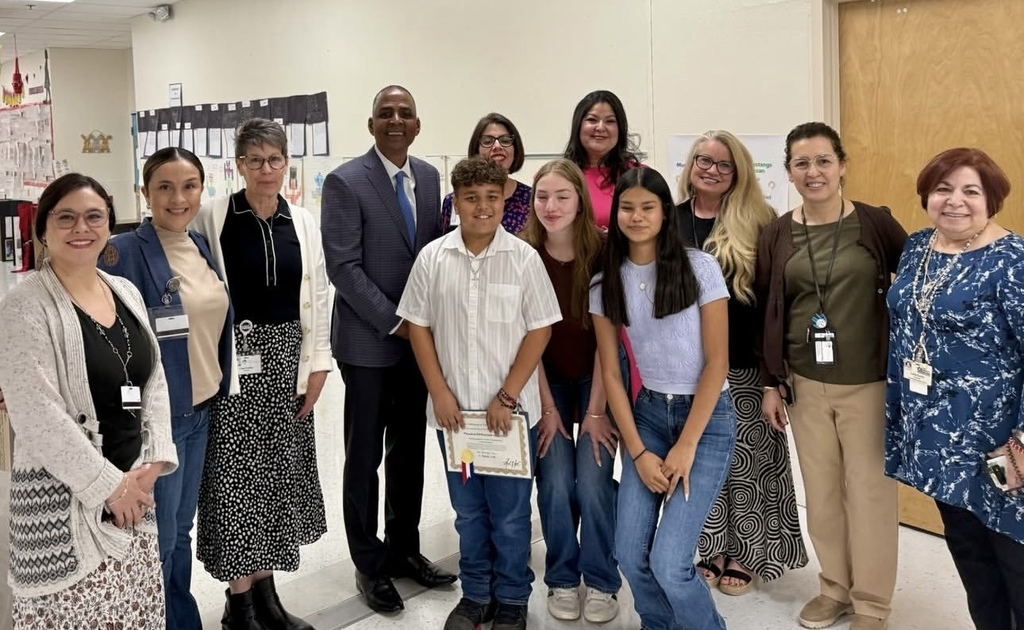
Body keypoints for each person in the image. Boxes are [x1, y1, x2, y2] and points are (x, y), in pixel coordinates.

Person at [0, 173, 177, 629]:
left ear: (109, 225)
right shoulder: (24, 306)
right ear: (43, 229)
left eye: (94, 216)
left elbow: (154, 381)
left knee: (135, 616)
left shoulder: (125, 292)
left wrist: (154, 462)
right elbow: (36, 415)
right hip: (64, 510)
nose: (82, 227)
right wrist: (111, 488)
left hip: (134, 500)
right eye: (66, 217)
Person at [397, 156, 562, 630]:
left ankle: (511, 597)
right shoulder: (433, 258)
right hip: (457, 421)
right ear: (457, 202)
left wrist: (507, 396)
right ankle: (476, 595)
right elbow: (418, 326)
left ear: (504, 200)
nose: (483, 207)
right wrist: (439, 392)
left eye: (492, 197)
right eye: (471, 198)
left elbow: (540, 330)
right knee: (468, 513)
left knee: (510, 515)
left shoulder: (524, 258)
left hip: (509, 419)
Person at [756, 122, 907, 630]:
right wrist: (770, 381)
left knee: (868, 493)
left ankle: (872, 603)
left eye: (823, 160)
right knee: (821, 494)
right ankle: (835, 589)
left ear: (842, 165)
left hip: (868, 383)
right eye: (802, 163)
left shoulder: (875, 224)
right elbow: (768, 310)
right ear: (789, 172)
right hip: (803, 385)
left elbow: (916, 283)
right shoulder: (778, 234)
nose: (813, 171)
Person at [320, 85, 454, 615]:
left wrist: (425, 326)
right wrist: (398, 323)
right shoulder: (345, 181)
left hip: (417, 344)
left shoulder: (429, 177)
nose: (395, 120)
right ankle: (369, 564)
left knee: (409, 452)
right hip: (369, 343)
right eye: (386, 113)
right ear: (371, 123)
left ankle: (404, 549)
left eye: (405, 113)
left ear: (417, 125)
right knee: (364, 458)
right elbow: (343, 267)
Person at [192, 117, 330, 630]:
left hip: (288, 366)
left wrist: (318, 365)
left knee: (277, 479)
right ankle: (240, 604)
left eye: (274, 159)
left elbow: (319, 296)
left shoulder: (303, 221)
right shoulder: (213, 217)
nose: (266, 169)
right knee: (236, 483)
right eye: (255, 160)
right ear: (239, 165)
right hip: (235, 367)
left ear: (286, 163)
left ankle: (268, 596)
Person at [591, 166, 735, 630]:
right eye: (627, 208)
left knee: (671, 564)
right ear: (615, 214)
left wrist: (687, 445)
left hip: (705, 422)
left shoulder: (700, 268)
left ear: (665, 213)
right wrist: (637, 453)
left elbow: (717, 362)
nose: (636, 217)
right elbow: (611, 374)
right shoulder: (605, 282)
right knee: (629, 555)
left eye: (647, 207)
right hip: (648, 417)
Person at [886, 147, 1023, 630]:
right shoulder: (918, 246)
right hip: (939, 441)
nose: (955, 201)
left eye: (971, 191)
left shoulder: (1012, 260)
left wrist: (1021, 442)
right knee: (970, 556)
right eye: (943, 189)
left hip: (999, 445)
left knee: (1014, 559)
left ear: (992, 199)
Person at [99, 147, 233, 630]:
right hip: (160, 420)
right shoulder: (123, 252)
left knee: (180, 530)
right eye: (165, 187)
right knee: (161, 536)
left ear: (202, 189)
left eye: (189, 186)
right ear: (146, 192)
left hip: (201, 411)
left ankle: (176, 613)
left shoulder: (199, 244)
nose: (178, 198)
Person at [677, 131, 807, 595]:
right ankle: (709, 545)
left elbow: (775, 303)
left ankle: (746, 552)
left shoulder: (760, 221)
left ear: (739, 173)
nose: (711, 170)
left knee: (747, 460)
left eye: (723, 164)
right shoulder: (669, 220)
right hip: (688, 367)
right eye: (703, 160)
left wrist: (774, 378)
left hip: (745, 366)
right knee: (700, 458)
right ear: (690, 164)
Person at [520, 158, 621, 623]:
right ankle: (561, 577)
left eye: (562, 196)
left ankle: (601, 578)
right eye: (542, 197)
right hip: (546, 379)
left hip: (598, 376)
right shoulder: (523, 252)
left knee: (594, 477)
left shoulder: (603, 251)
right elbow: (528, 341)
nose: (551, 206)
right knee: (556, 478)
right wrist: (547, 407)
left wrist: (597, 412)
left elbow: (609, 338)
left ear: (580, 200)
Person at [562, 90, 642, 230]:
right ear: (578, 125)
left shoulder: (641, 176)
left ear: (620, 129)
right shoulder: (557, 176)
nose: (600, 127)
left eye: (610, 121)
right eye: (592, 120)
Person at [440, 112, 531, 234]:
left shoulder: (533, 200)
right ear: (476, 150)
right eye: (488, 142)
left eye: (505, 140)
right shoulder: (453, 201)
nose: (497, 146)